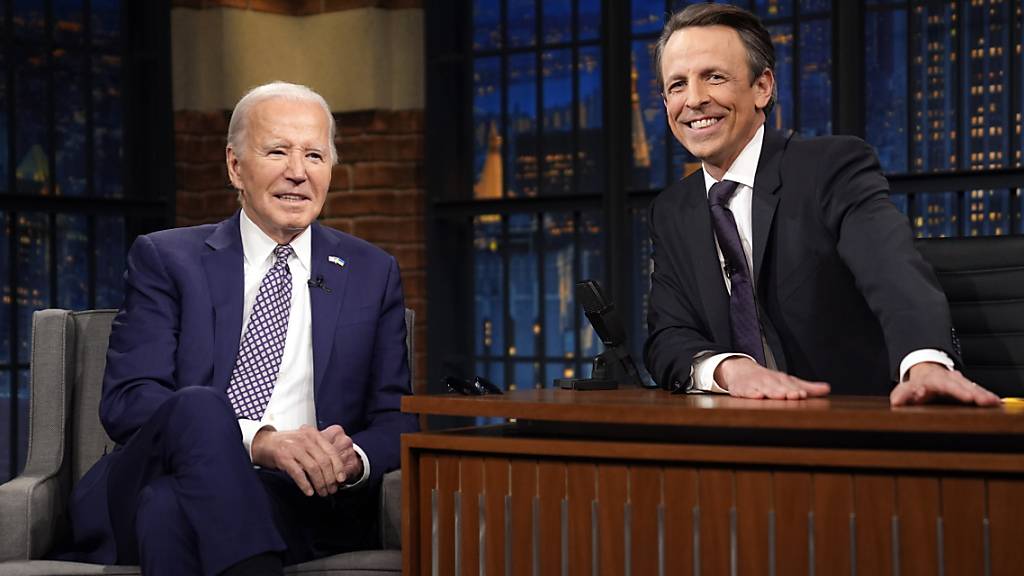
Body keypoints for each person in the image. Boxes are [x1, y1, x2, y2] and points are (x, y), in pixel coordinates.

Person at [65, 82, 418, 575]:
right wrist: (263, 443)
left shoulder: (372, 272)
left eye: (314, 155)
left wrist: (350, 457)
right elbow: (129, 400)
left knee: (167, 510)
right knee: (198, 406)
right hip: (154, 469)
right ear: (235, 167)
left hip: (294, 500)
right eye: (277, 151)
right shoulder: (167, 259)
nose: (298, 172)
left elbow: (398, 420)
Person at [643, 4, 1000, 407]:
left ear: (762, 87)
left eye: (714, 77)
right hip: (735, 426)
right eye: (677, 85)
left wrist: (925, 363)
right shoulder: (671, 211)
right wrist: (729, 369)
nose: (694, 99)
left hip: (849, 421)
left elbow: (891, 269)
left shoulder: (830, 168)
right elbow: (667, 336)